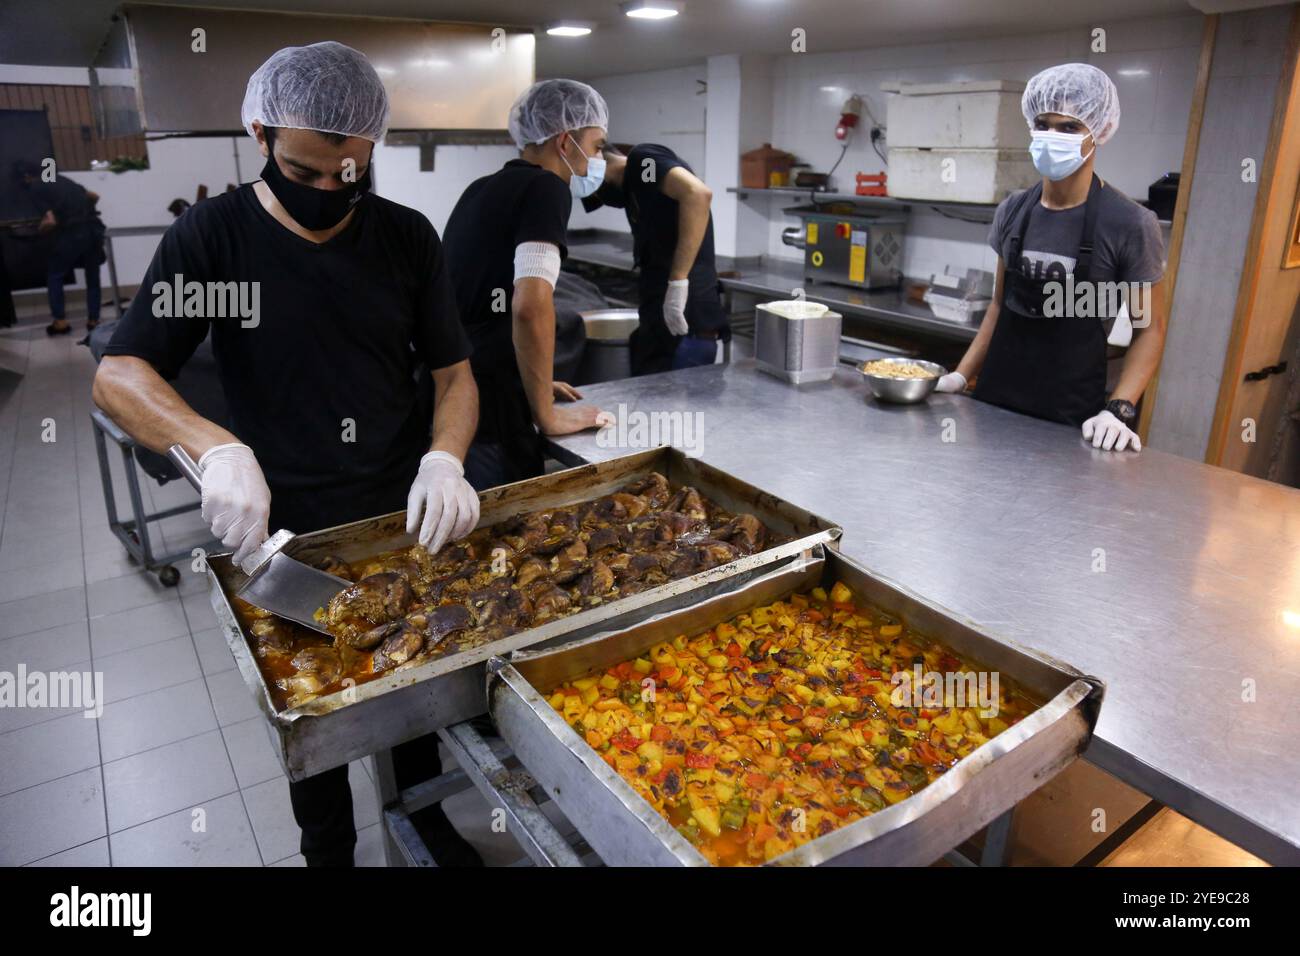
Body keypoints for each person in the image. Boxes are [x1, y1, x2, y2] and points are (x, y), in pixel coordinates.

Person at [92, 42, 483, 866]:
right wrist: (214, 446)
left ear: (370, 151)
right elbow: (121, 375)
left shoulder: (406, 238)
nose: (326, 193)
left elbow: (454, 374)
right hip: (279, 529)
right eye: (303, 172)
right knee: (317, 708)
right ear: (261, 135)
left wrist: (444, 459)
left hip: (397, 515)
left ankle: (425, 818)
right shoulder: (213, 238)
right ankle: (328, 849)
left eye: (347, 174)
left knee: (417, 682)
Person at [934, 63, 1167, 453]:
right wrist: (961, 375)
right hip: (994, 406)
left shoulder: (1129, 223)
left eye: (1069, 127)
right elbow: (998, 305)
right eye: (1043, 124)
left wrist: (1119, 408)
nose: (1051, 136)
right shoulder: (1014, 210)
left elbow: (1149, 329)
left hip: (1069, 422)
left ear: (1099, 131)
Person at [443, 79, 610, 490]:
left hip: (454, 393)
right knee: (507, 533)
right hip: (492, 406)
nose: (596, 159)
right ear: (566, 142)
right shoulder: (547, 188)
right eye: (597, 145)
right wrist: (546, 413)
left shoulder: (481, 189)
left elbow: (472, 304)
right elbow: (529, 306)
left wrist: (533, 377)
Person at [582, 143, 728, 374]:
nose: (605, 198)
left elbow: (698, 195)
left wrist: (678, 281)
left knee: (673, 409)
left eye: (598, 191)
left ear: (598, 164)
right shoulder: (638, 191)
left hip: (683, 329)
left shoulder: (643, 164)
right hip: (662, 329)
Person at [14, 160, 105, 336]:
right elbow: (94, 196)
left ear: (27, 177)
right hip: (93, 231)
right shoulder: (63, 180)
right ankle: (94, 320)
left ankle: (60, 322)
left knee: (55, 275)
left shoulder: (36, 188)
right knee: (92, 276)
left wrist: (39, 231)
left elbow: (50, 221)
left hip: (72, 233)